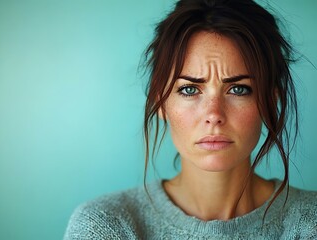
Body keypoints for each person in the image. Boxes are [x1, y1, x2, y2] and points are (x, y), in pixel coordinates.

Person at [64, 0, 317, 239]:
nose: (214, 115)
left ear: (271, 101)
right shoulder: (106, 224)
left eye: (238, 89)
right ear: (160, 101)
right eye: (189, 89)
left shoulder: (310, 223)